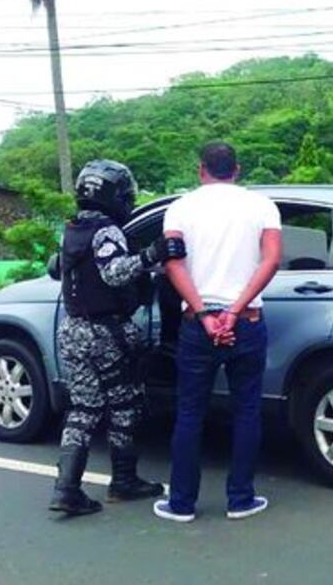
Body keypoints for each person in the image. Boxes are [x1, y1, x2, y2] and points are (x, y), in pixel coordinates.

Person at [153, 142, 282, 523]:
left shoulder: (180, 207)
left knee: (190, 412)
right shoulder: (261, 206)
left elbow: (173, 265)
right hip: (248, 322)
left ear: (201, 170)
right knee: (246, 412)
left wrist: (205, 314)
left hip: (197, 326)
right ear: (237, 169)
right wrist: (234, 311)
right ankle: (240, 499)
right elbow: (272, 259)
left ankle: (181, 504)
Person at [49, 159, 186, 516]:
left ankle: (66, 490)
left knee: (83, 409)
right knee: (124, 405)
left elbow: (56, 267)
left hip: (73, 329)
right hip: (106, 334)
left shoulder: (72, 228)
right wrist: (152, 255)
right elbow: (113, 273)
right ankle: (123, 481)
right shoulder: (107, 230)